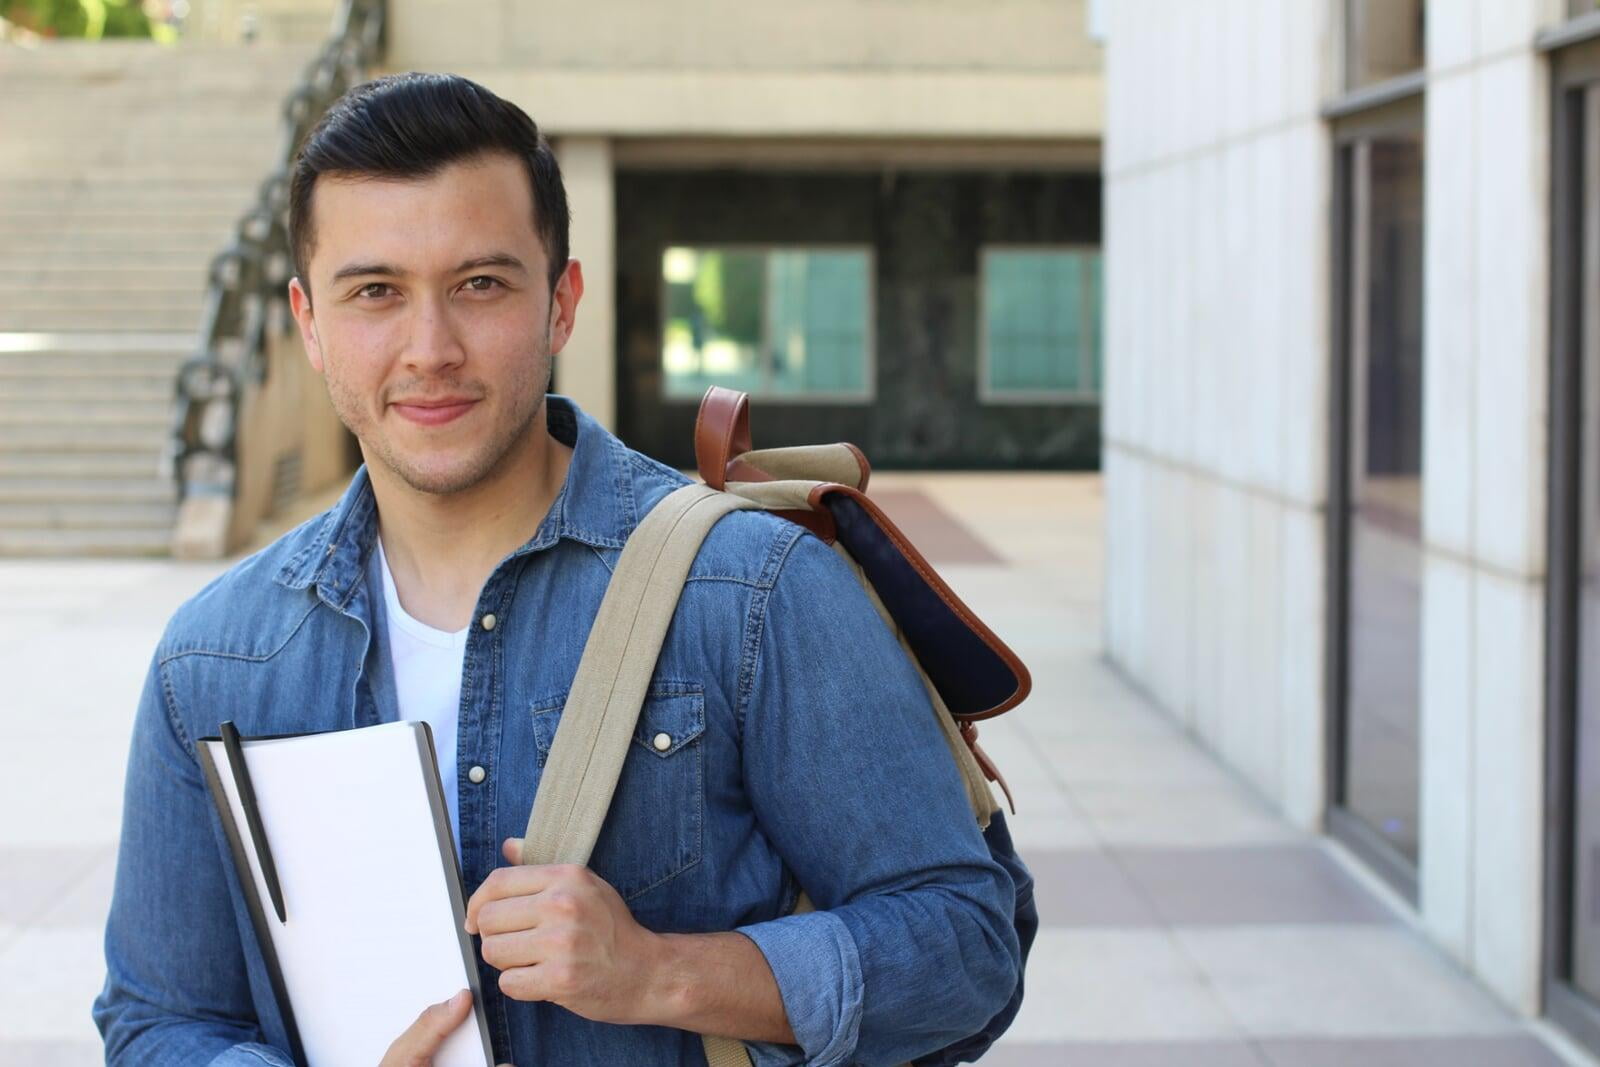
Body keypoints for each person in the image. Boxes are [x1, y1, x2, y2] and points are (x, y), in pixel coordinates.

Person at [92, 72, 1020, 1067]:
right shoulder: (215, 655)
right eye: (375, 292)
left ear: (561, 302)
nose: (430, 348)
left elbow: (967, 949)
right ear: (309, 324)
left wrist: (662, 970)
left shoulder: (752, 590)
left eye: (480, 284)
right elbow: (159, 1019)